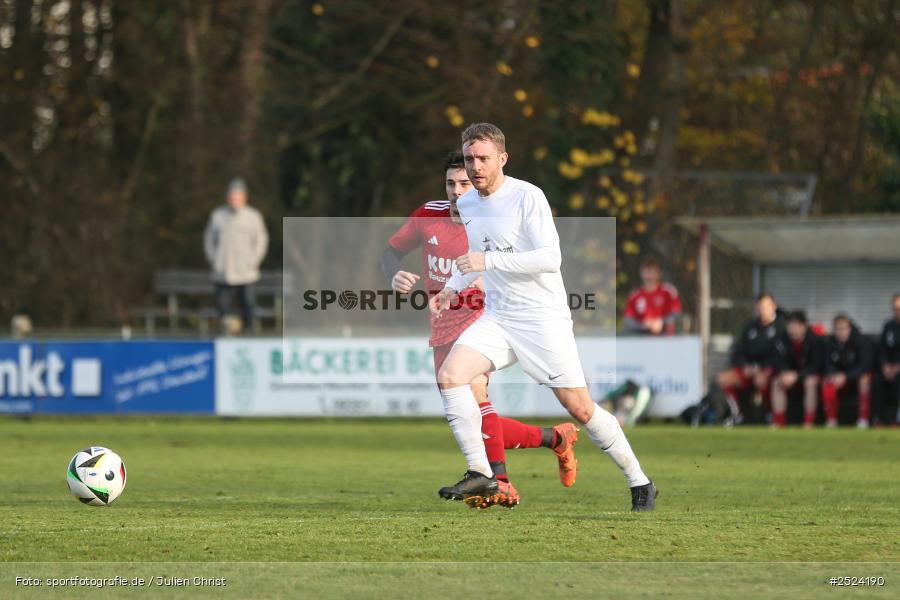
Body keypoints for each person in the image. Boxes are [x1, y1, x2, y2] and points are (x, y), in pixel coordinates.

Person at [429, 123, 656, 512]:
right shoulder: (467, 204)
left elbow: (551, 258)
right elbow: (474, 256)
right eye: (470, 159)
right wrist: (452, 284)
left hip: (541, 320)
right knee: (451, 376)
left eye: (483, 158)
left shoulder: (526, 196)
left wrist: (489, 261)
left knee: (581, 408)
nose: (476, 166)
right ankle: (481, 472)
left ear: (503, 158)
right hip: (499, 316)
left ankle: (641, 482)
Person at [381, 150, 578, 509]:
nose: (457, 191)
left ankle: (498, 481)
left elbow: (529, 259)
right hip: (442, 324)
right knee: (469, 414)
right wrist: (392, 273)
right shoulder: (429, 215)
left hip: (483, 319)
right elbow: (390, 252)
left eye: (465, 184)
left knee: (475, 394)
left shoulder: (491, 218)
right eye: (451, 183)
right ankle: (554, 438)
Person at [203, 178, 269, 332]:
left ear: (244, 198)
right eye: (232, 197)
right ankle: (224, 338)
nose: (234, 201)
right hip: (223, 273)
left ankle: (249, 336)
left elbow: (261, 241)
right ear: (227, 197)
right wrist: (214, 260)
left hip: (246, 273)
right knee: (222, 309)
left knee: (249, 307)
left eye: (238, 197)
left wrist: (253, 261)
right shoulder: (217, 216)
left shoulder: (254, 216)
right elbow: (208, 240)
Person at [715, 293, 784, 423]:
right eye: (759, 308)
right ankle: (737, 414)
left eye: (765, 307)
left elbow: (781, 355)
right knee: (722, 379)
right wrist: (746, 366)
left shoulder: (781, 327)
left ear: (773, 307)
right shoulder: (750, 326)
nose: (762, 310)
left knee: (761, 380)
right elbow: (739, 351)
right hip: (750, 369)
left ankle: (769, 414)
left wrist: (764, 368)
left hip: (769, 370)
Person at [770, 310, 823, 428]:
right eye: (791, 325)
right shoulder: (780, 339)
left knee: (810, 382)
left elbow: (816, 365)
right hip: (789, 376)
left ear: (804, 326)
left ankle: (808, 422)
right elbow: (777, 361)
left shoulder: (815, 340)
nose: (794, 329)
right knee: (777, 382)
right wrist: (784, 373)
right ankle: (779, 421)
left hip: (808, 375)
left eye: (797, 326)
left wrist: (798, 375)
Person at [822, 314, 874, 428]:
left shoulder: (861, 341)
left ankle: (863, 420)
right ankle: (831, 420)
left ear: (849, 328)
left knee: (864, 379)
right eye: (837, 329)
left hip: (855, 377)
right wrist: (834, 374)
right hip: (840, 380)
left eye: (843, 329)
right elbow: (828, 364)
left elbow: (865, 366)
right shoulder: (830, 343)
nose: (840, 332)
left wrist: (846, 376)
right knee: (827, 381)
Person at [623, 258, 682, 335]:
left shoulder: (668, 291)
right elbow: (628, 320)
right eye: (647, 271)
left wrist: (661, 322)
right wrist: (644, 326)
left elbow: (676, 314)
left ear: (659, 273)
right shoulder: (634, 295)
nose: (650, 275)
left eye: (653, 271)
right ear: (641, 273)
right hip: (641, 337)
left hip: (665, 336)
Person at [873, 294, 900, 426]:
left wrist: (897, 368)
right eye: (895, 309)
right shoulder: (888, 326)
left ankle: (898, 420)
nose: (898, 312)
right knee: (877, 381)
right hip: (888, 369)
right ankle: (878, 419)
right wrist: (885, 366)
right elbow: (882, 349)